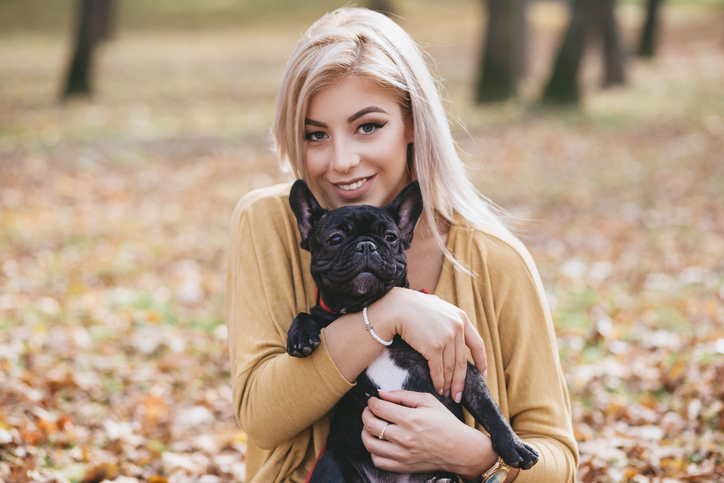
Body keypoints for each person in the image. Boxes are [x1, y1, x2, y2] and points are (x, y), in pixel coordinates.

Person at [226, 7, 578, 483]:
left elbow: (558, 461)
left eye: (368, 126)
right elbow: (262, 417)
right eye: (316, 134)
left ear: (412, 122)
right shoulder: (269, 222)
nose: (343, 161)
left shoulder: (496, 260)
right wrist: (387, 314)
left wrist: (474, 455)